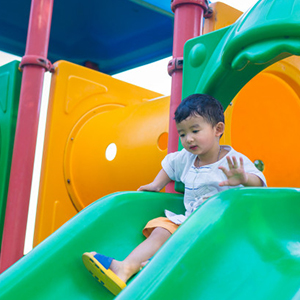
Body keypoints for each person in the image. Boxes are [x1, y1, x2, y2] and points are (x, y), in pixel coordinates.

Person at [82, 94, 267, 295]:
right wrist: (156, 184)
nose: (188, 139)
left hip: (222, 225)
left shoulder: (233, 160)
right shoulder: (187, 158)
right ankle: (124, 269)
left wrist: (243, 178)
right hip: (190, 222)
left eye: (195, 131)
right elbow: (169, 166)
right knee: (162, 228)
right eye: (182, 134)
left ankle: (154, 264)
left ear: (218, 129)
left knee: (186, 242)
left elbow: (260, 182)